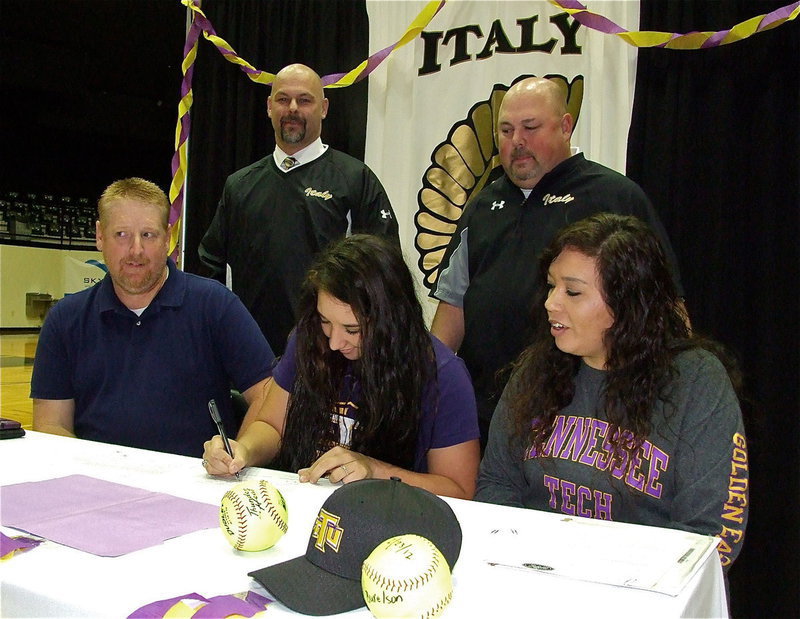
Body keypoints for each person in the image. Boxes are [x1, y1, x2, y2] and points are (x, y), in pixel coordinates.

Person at [475, 213, 747, 571]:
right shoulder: (536, 370)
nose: (550, 303)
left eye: (572, 291)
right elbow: (497, 485)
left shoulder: (696, 381)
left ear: (626, 304)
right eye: (551, 285)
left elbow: (712, 535)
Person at [430, 77, 685, 449]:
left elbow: (668, 305)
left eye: (530, 128)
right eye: (505, 130)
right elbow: (453, 305)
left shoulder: (613, 196)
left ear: (565, 126)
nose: (517, 141)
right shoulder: (483, 206)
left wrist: (680, 392)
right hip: (484, 411)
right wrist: (426, 377)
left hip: (582, 414)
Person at [203, 235, 480, 499]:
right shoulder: (311, 339)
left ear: (391, 322)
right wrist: (243, 451)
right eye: (325, 321)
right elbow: (272, 426)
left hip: (390, 520)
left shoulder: (443, 375)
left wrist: (375, 470)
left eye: (352, 329)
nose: (335, 342)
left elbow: (458, 490)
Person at [31, 178, 275, 458]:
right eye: (121, 234)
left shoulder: (216, 306)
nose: (136, 250)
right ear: (99, 235)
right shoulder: (64, 319)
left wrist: (242, 450)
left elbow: (270, 399)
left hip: (196, 488)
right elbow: (50, 425)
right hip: (98, 487)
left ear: (168, 237)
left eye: (148, 235)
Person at [199, 63, 400, 356]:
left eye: (305, 100)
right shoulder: (239, 185)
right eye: (283, 99)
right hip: (252, 360)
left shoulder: (355, 179)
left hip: (329, 357)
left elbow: (384, 271)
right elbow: (211, 268)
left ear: (324, 108)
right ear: (269, 107)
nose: (292, 108)